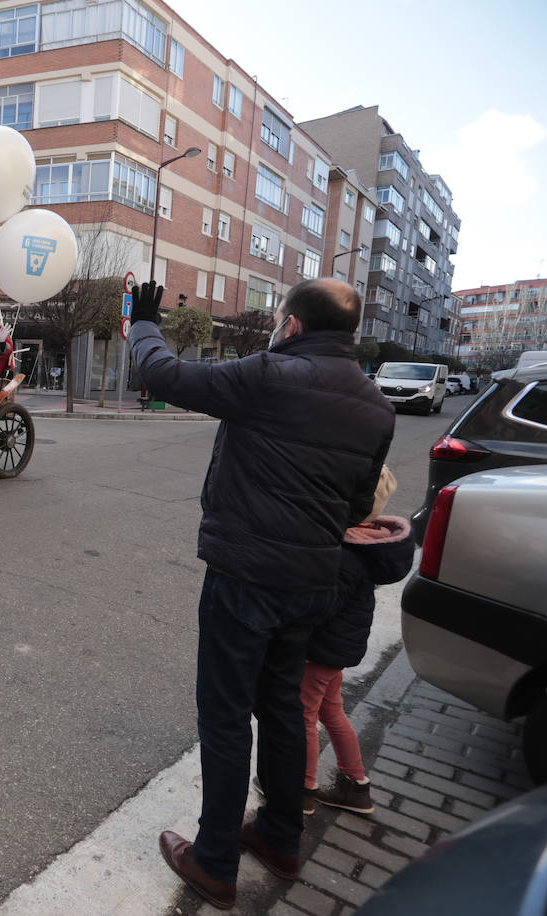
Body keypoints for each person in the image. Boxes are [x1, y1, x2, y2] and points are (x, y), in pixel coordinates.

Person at [130, 278, 395, 911]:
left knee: (224, 717)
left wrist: (142, 323)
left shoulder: (273, 373)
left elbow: (166, 376)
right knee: (279, 708)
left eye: (280, 319)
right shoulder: (376, 407)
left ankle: (215, 860)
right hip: (312, 583)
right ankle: (280, 838)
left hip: (245, 578)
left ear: (293, 326)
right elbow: (358, 504)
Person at [300, 465, 412, 814]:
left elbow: (320, 607)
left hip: (322, 649)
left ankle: (300, 788)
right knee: (331, 709)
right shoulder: (367, 541)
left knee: (301, 713)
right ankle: (355, 784)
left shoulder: (346, 555)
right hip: (340, 648)